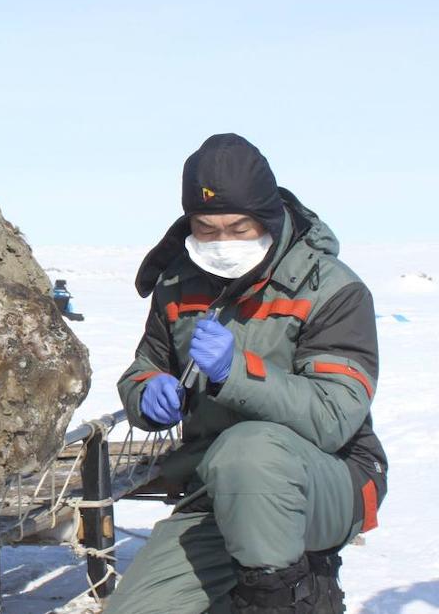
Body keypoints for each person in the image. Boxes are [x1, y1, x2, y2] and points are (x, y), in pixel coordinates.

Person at [107, 134, 387, 614]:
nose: (222, 243)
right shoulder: (177, 285)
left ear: (269, 217)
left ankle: (282, 596)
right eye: (206, 228)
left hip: (329, 481)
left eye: (238, 228)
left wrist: (234, 373)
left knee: (249, 449)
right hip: (215, 488)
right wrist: (146, 390)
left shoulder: (333, 290)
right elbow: (147, 364)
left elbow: (334, 415)